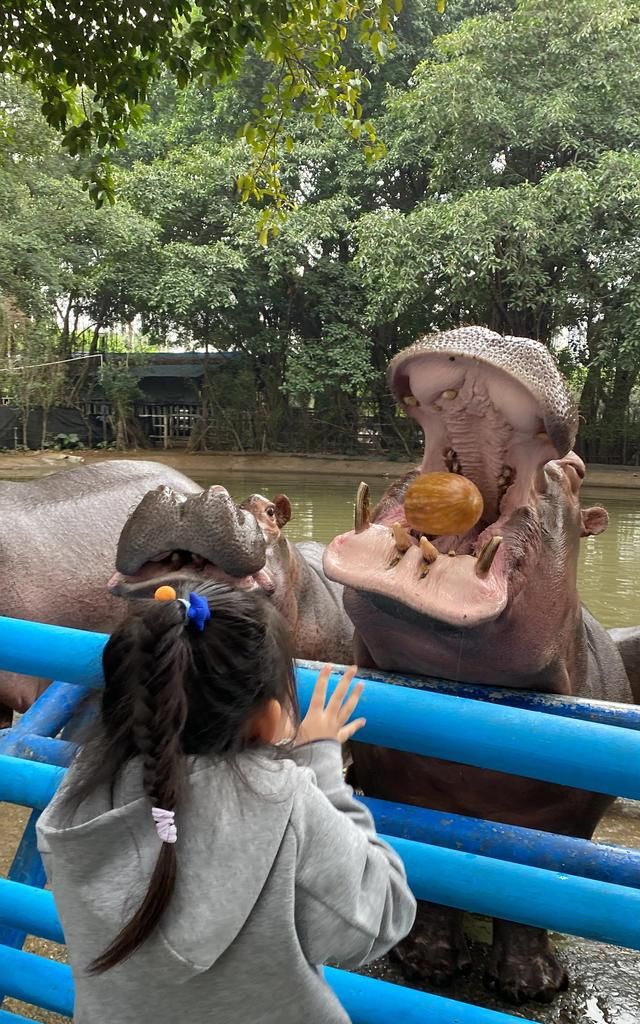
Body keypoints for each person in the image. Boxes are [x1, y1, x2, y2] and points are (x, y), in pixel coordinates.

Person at [37, 582, 416, 1024]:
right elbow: (384, 915)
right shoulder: (287, 804)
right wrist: (320, 767)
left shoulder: (76, 797)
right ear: (270, 719)